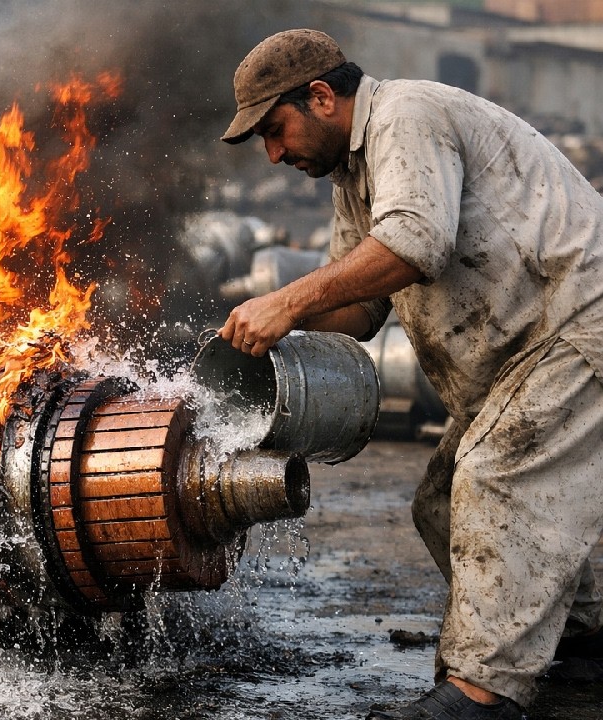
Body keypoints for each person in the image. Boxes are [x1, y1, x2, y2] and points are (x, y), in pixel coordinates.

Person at [218, 29, 603, 720]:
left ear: (323, 96)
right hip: (523, 354)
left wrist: (285, 300)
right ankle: (579, 646)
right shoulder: (353, 177)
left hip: (575, 326)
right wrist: (265, 330)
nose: (274, 155)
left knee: (495, 477)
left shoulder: (406, 116)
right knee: (442, 501)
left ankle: (482, 694)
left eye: (275, 131)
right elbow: (363, 308)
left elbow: (416, 243)